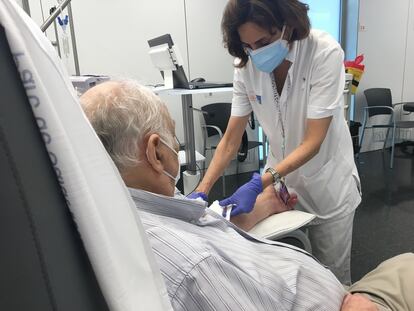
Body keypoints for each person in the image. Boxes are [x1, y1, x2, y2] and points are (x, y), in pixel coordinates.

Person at [81, 80, 413, 311]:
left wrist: (260, 205)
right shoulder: (198, 268)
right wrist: (206, 189)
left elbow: (204, 227)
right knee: (407, 263)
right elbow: (229, 140)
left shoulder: (123, 209)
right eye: (173, 137)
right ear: (155, 152)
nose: (177, 146)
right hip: (341, 304)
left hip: (325, 177)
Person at [189, 0, 361, 284]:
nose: (256, 52)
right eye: (248, 46)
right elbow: (231, 138)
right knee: (283, 267)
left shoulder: (323, 53)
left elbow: (313, 141)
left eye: (264, 41)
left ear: (287, 25)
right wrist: (202, 190)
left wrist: (259, 183)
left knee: (332, 278)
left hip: (327, 183)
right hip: (281, 182)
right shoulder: (246, 66)